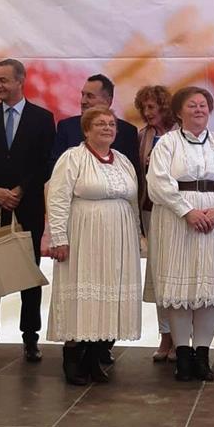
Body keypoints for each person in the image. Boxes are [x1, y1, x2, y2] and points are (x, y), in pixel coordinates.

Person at [147, 86, 214, 382]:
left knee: (208, 293)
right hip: (178, 221)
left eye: (203, 105)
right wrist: (186, 211)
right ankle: (183, 356)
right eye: (192, 105)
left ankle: (202, 355)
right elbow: (158, 183)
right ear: (179, 112)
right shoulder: (167, 144)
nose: (199, 109)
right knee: (181, 292)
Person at [49, 73, 140, 364]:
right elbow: (58, 198)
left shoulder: (123, 160)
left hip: (118, 239)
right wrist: (58, 238)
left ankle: (98, 354)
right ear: (86, 130)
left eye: (111, 124)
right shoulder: (72, 158)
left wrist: (136, 235)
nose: (107, 128)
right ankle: (74, 357)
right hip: (83, 236)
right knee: (83, 293)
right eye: (100, 124)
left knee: (109, 292)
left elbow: (133, 200)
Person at [0, 59, 55, 364]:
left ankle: (30, 339)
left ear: (20, 81)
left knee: (28, 273)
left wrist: (20, 189)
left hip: (26, 205)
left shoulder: (42, 118)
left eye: (3, 80)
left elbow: (46, 162)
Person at [134, 85, 179, 362]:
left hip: (178, 212)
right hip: (150, 210)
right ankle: (165, 335)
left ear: (165, 107)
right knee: (157, 273)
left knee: (178, 272)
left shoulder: (181, 134)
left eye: (152, 107)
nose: (148, 112)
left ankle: (182, 337)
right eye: (144, 108)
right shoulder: (143, 136)